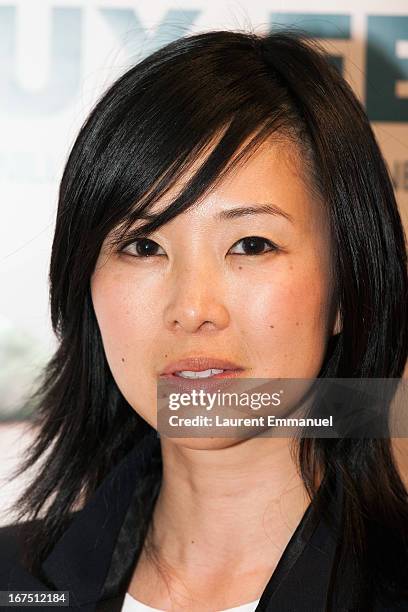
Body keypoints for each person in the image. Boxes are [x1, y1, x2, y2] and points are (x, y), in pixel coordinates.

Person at [0, 28, 407, 612]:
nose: (192, 310)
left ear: (345, 287)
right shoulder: (15, 583)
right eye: (143, 246)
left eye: (251, 245)